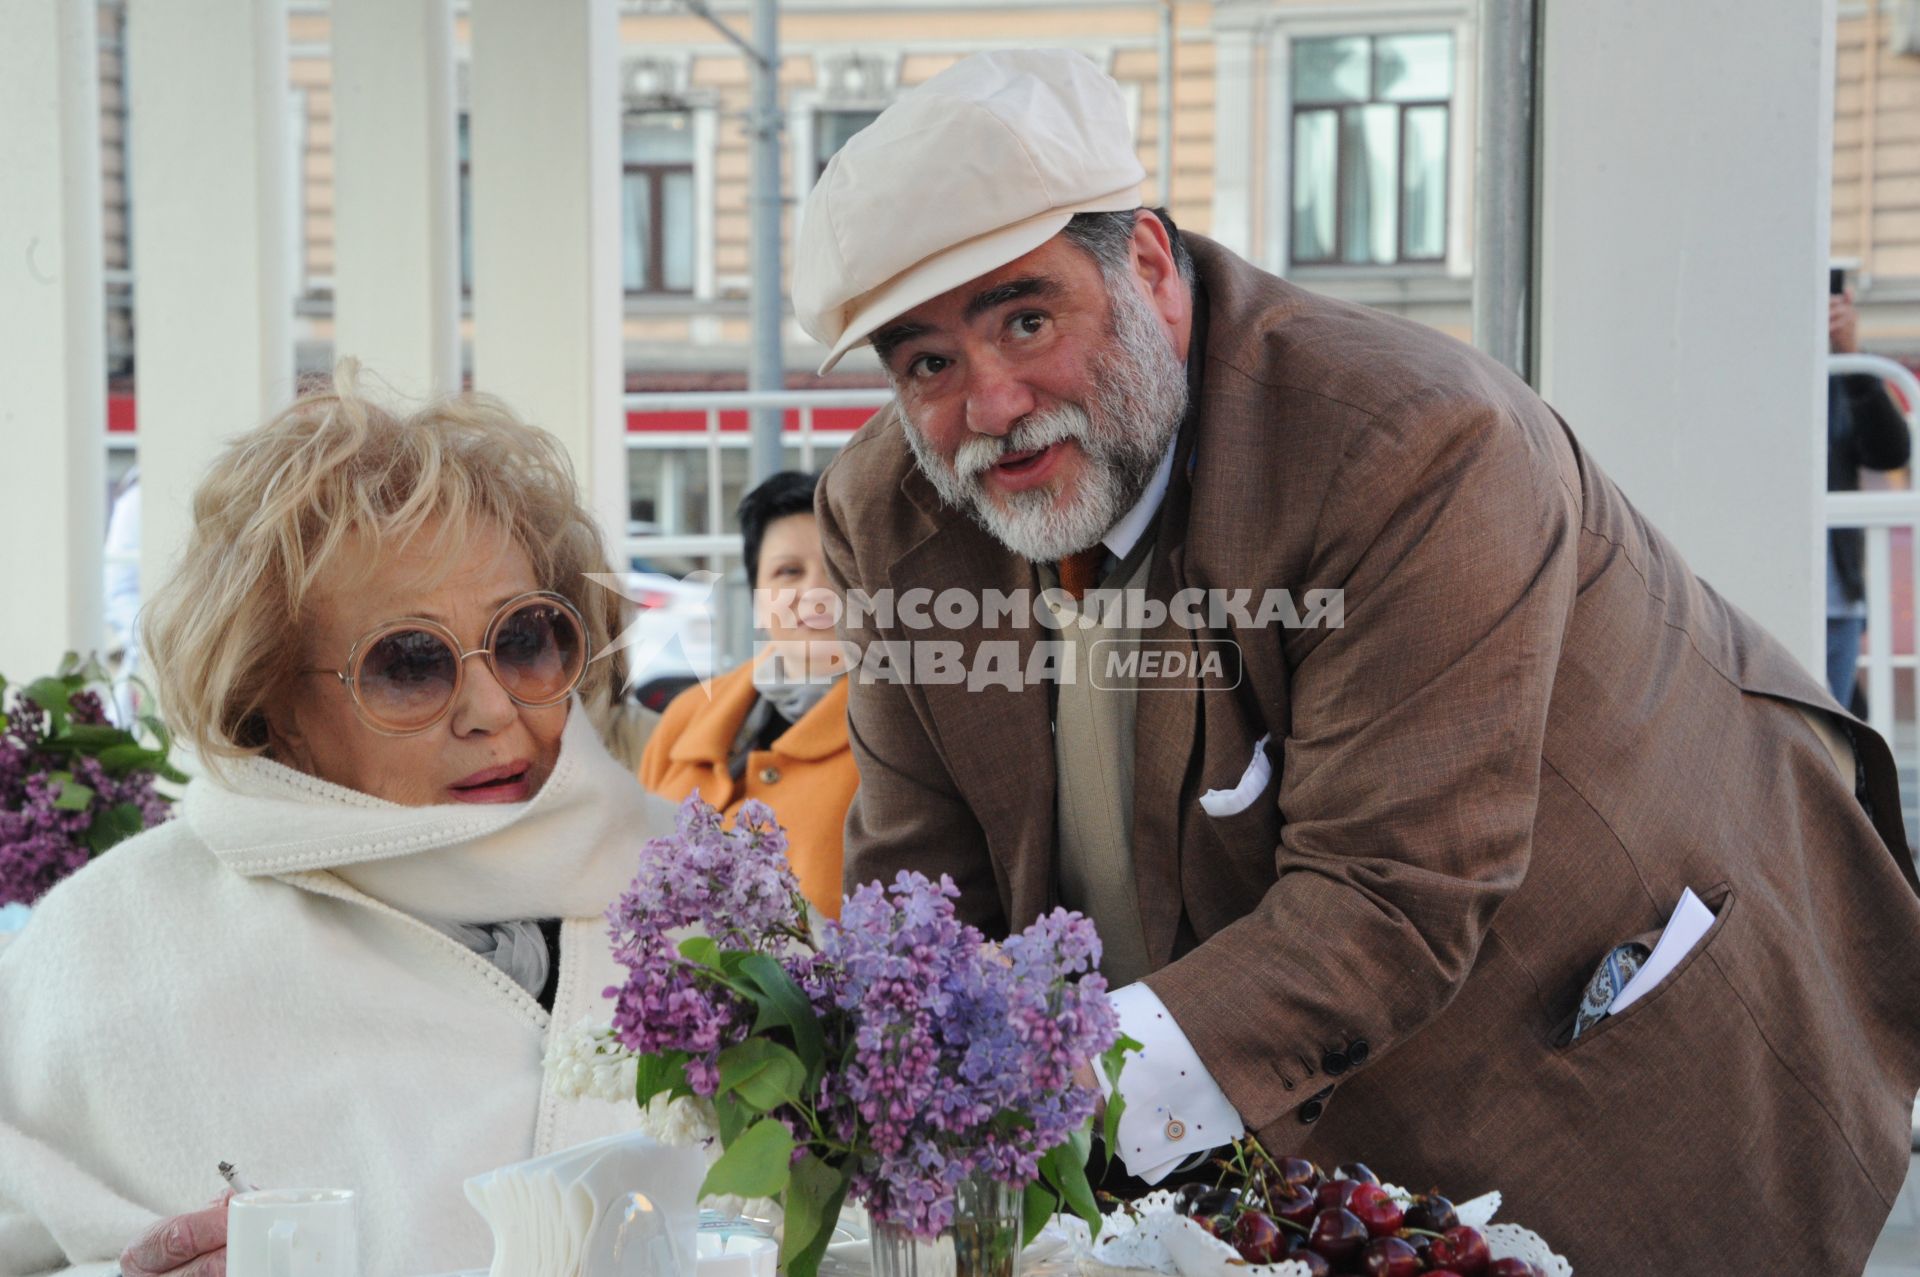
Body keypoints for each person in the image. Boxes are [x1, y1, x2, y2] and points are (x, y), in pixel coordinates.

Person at [798, 49, 1920, 1272]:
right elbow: (918, 893)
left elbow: (1387, 898)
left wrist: (1036, 1100)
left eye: (1027, 316)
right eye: (927, 363)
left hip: (1600, 1047)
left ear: (1152, 268)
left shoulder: (1412, 442)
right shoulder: (886, 513)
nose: (994, 403)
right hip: (1227, 1152)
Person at [0, 365, 671, 1277]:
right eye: (409, 661)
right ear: (268, 701)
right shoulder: (105, 950)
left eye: (522, 638)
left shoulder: (708, 890)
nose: (490, 707)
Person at [640, 472, 854, 918]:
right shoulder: (687, 717)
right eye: (788, 572)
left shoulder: (906, 731)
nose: (816, 592)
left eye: (838, 566)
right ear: (759, 597)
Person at [1824, 281, 1911, 707]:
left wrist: (1850, 356)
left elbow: (1890, 451)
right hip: (1753, 588)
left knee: (1831, 745)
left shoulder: (1838, 373)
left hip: (1837, 596)